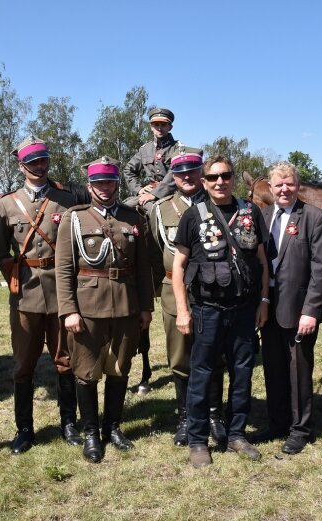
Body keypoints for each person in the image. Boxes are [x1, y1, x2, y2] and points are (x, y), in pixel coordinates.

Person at [172, 155, 270, 468]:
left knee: (242, 372)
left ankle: (237, 434)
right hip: (206, 309)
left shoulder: (251, 211)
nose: (219, 182)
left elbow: (263, 263)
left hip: (243, 309)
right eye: (213, 177)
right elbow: (178, 267)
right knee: (201, 374)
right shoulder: (193, 215)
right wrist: (183, 311)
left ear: (232, 178)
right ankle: (199, 440)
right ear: (204, 181)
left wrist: (264, 302)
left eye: (225, 176)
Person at [55, 156, 154, 463]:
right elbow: (63, 268)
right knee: (86, 371)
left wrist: (146, 307)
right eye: (99, 183)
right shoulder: (74, 218)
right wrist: (69, 310)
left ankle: (113, 427)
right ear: (90, 185)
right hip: (87, 308)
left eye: (110, 182)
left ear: (117, 184)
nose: (105, 188)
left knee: (119, 369)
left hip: (125, 305)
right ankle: (90, 433)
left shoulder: (133, 217)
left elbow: (143, 268)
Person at [0, 136, 84, 455]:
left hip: (61, 292)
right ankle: (24, 430)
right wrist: (14, 278)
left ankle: (69, 424)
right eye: (33, 162)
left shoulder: (66, 200)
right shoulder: (6, 204)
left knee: (65, 360)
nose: (39, 166)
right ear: (22, 165)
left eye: (43, 160)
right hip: (26, 296)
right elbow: (1, 252)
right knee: (24, 365)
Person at [147, 149, 228, 448]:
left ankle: (214, 417)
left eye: (193, 171)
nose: (186, 177)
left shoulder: (217, 205)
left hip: (212, 291)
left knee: (214, 354)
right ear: (173, 175)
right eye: (180, 172)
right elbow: (157, 253)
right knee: (180, 358)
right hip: (174, 290)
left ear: (201, 173)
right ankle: (184, 418)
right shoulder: (159, 210)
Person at [255, 161, 322, 454]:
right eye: (278, 185)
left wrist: (311, 310)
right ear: (270, 189)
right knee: (273, 367)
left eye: (289, 184)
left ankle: (300, 428)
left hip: (299, 308)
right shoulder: (262, 216)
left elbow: (320, 268)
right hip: (268, 305)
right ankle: (277, 422)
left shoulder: (313, 217)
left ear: (298, 187)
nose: (284, 189)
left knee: (298, 368)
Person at [122, 107, 182, 395]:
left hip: (169, 196)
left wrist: (155, 194)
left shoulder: (178, 149)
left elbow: (173, 176)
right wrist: (139, 190)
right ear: (150, 126)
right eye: (156, 124)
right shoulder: (144, 149)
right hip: (145, 197)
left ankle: (169, 255)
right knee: (122, 212)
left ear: (170, 126)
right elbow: (128, 170)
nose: (160, 128)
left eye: (164, 124)